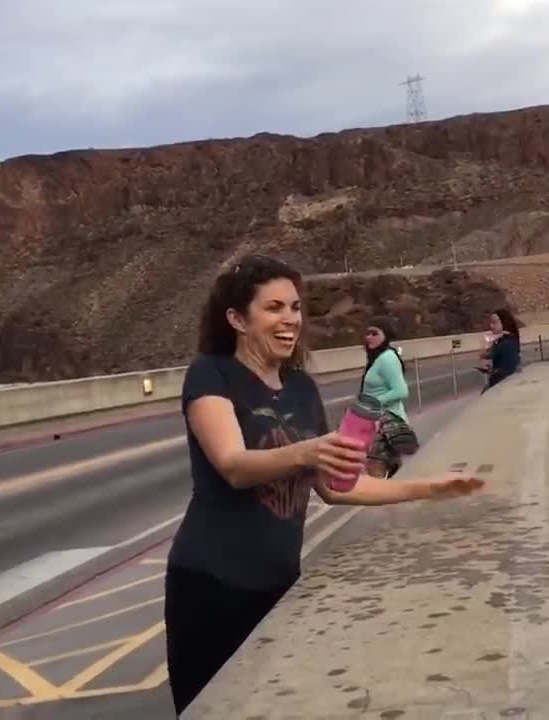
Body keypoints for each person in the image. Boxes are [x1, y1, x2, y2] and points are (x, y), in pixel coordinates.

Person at [163, 255, 482, 716]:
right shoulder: (211, 373)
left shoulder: (301, 388)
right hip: (211, 586)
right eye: (273, 307)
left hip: (277, 584)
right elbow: (234, 465)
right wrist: (307, 451)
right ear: (236, 318)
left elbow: (336, 487)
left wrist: (431, 487)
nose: (290, 318)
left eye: (294, 307)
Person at [359, 318, 419, 478]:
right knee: (386, 470)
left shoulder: (387, 358)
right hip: (377, 423)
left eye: (374, 333)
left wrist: (375, 402)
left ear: (385, 335)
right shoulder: (377, 358)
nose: (369, 337)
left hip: (386, 426)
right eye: (367, 333)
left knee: (375, 471)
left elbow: (401, 390)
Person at [478, 308, 523, 393]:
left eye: (494, 322)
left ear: (504, 321)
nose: (491, 326)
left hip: (502, 387)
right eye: (490, 322)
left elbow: (483, 356)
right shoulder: (505, 340)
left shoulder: (507, 343)